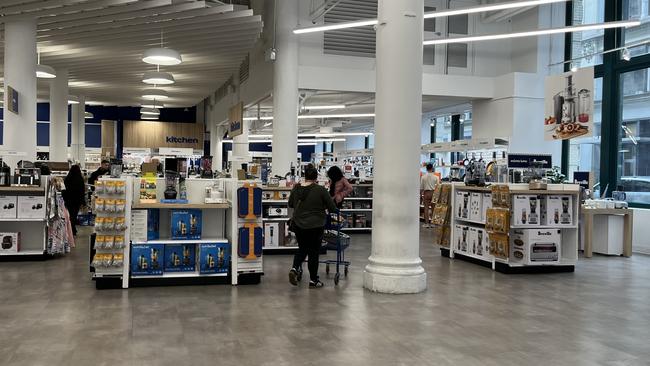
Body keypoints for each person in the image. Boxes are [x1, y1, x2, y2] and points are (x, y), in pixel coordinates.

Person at [288, 166, 338, 288]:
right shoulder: (320, 190)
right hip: (315, 225)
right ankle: (313, 280)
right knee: (313, 252)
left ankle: (295, 268)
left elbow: (290, 204)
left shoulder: (296, 188)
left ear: (305, 176)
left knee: (302, 248)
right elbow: (332, 208)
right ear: (316, 177)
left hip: (299, 224)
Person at [62, 165, 86, 236]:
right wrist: (83, 202)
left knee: (70, 215)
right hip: (77, 201)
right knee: (74, 215)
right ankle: (72, 229)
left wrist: (64, 199)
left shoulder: (67, 179)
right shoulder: (80, 179)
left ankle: (71, 229)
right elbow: (82, 191)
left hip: (68, 200)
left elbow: (64, 190)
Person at [420, 163, 440, 228]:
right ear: (432, 168)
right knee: (433, 209)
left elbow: (421, 187)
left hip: (426, 193)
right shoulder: (436, 177)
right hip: (433, 193)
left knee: (426, 208)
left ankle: (426, 224)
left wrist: (421, 194)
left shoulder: (423, 177)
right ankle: (433, 224)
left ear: (426, 169)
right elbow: (438, 186)